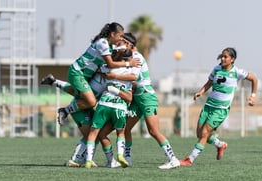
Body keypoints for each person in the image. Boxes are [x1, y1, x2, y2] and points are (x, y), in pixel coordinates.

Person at [180, 47, 258, 166]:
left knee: (205, 132)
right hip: (209, 105)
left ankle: (189, 160)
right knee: (200, 134)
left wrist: (253, 96)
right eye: (222, 56)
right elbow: (209, 82)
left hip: (221, 109)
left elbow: (254, 78)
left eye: (225, 57)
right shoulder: (216, 69)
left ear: (232, 59)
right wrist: (201, 92)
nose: (222, 58)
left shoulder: (236, 72)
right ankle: (220, 145)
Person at [56, 22, 141, 125]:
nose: (121, 39)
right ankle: (65, 111)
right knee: (91, 102)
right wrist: (128, 63)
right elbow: (110, 64)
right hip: (77, 73)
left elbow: (115, 50)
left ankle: (54, 83)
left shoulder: (108, 45)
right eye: (120, 36)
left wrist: (123, 48)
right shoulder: (103, 43)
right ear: (113, 34)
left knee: (79, 95)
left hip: (83, 76)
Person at [120, 33, 180, 169]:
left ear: (129, 44)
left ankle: (173, 159)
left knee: (154, 131)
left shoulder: (136, 56)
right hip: (137, 98)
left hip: (146, 97)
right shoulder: (130, 57)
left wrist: (111, 75)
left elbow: (132, 77)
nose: (120, 46)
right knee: (125, 128)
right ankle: (127, 159)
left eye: (122, 43)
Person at [84, 48, 139, 169]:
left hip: (104, 104)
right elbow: (131, 90)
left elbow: (99, 68)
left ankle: (88, 160)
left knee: (93, 133)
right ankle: (120, 155)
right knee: (121, 133)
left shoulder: (109, 68)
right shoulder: (131, 74)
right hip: (119, 107)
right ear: (129, 59)